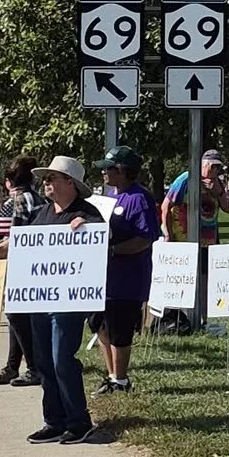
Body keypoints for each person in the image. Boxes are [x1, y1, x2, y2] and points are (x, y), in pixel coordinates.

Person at [0, 155, 105, 445]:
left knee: (62, 360)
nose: (45, 182)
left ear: (70, 183)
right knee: (44, 362)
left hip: (68, 302)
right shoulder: (42, 214)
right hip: (40, 300)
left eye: (52, 178)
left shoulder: (87, 213)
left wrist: (83, 225)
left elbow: (100, 241)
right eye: (45, 178)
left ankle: (78, 421)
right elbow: (20, 241)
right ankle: (54, 422)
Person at [90, 147, 158, 394]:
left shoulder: (139, 198)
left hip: (127, 278)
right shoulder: (109, 197)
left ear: (123, 171)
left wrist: (113, 250)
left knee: (120, 329)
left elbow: (145, 237)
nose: (104, 173)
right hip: (103, 278)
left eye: (108, 168)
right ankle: (111, 376)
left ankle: (121, 380)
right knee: (100, 325)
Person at [0, 160, 41, 386]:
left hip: (23, 265)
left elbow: (17, 238)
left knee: (18, 317)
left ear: (8, 182)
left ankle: (34, 368)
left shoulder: (18, 200)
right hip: (36, 264)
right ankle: (12, 366)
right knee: (18, 316)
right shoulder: (37, 198)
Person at [160, 149, 228, 330]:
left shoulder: (217, 183)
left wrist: (219, 192)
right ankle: (176, 316)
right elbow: (166, 206)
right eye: (212, 166)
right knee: (182, 278)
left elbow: (228, 208)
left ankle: (203, 318)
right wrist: (168, 233)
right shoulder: (186, 179)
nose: (214, 171)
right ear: (202, 165)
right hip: (183, 237)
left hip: (208, 239)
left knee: (205, 278)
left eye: (218, 168)